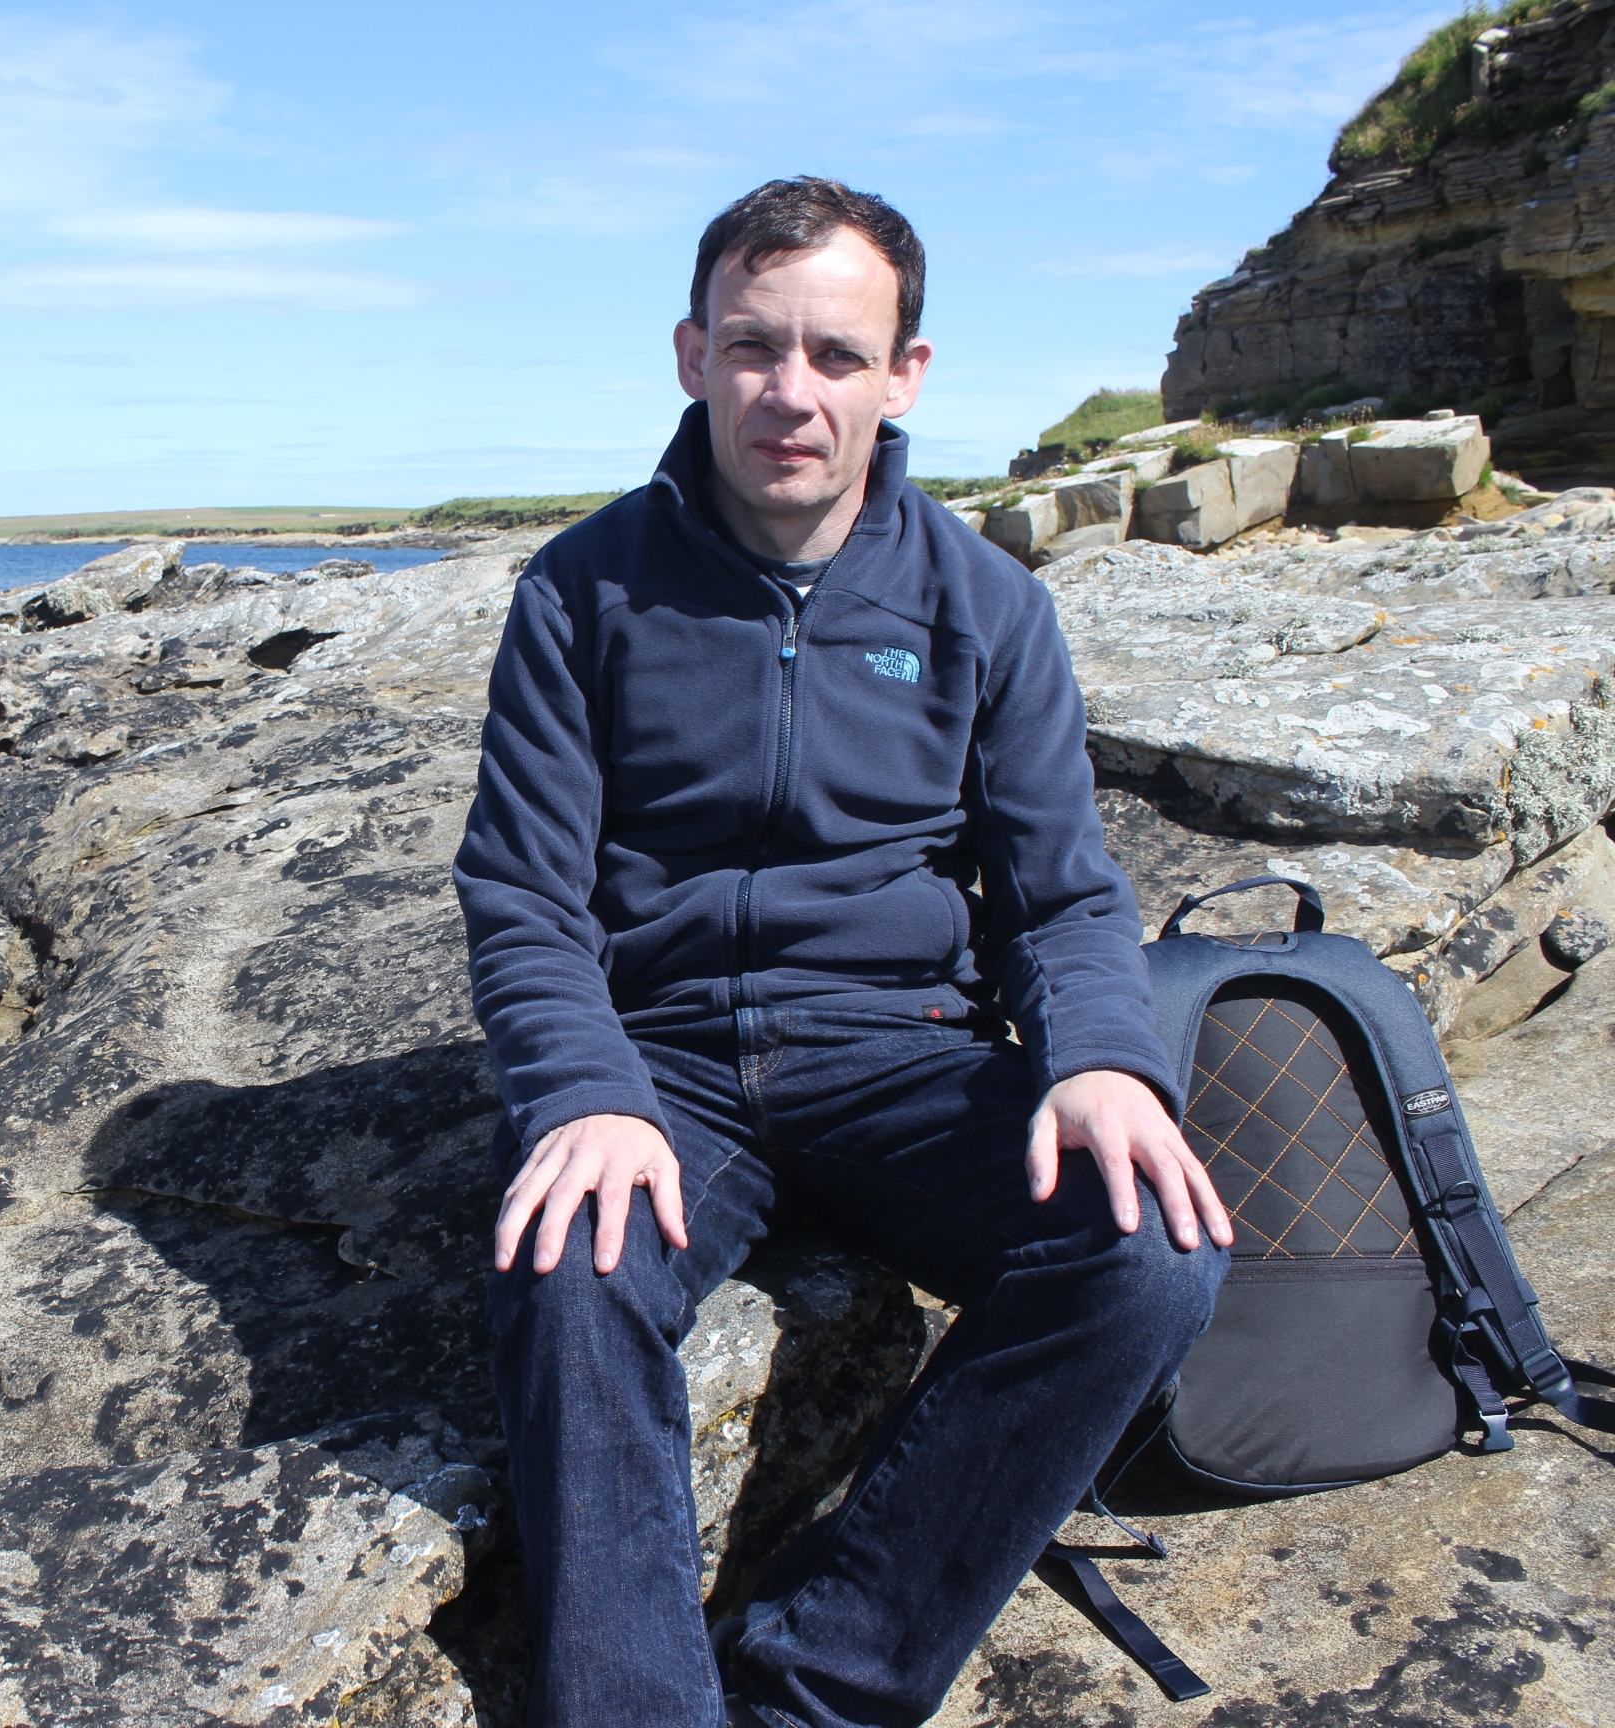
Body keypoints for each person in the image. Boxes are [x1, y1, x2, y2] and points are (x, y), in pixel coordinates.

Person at [450, 176, 1237, 1728]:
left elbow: (1062, 897)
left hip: (901, 1055)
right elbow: (524, 896)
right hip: (665, 1063)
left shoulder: (986, 606)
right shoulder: (581, 590)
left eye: (836, 354)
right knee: (568, 1272)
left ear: (904, 375)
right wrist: (585, 1091)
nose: (790, 393)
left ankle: (815, 1686)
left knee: (1149, 1248)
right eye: (753, 346)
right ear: (693, 354)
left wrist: (1099, 1060)